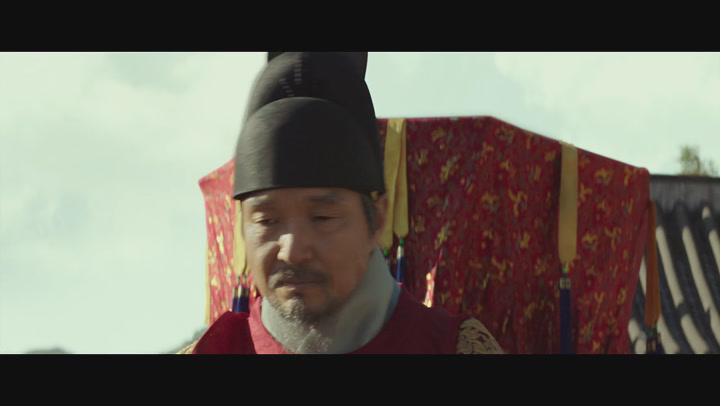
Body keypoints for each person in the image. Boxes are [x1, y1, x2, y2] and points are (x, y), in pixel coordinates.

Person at [179, 52, 503, 354]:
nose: (292, 251)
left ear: (377, 221)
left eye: (321, 217)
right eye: (267, 220)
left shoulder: (455, 347)